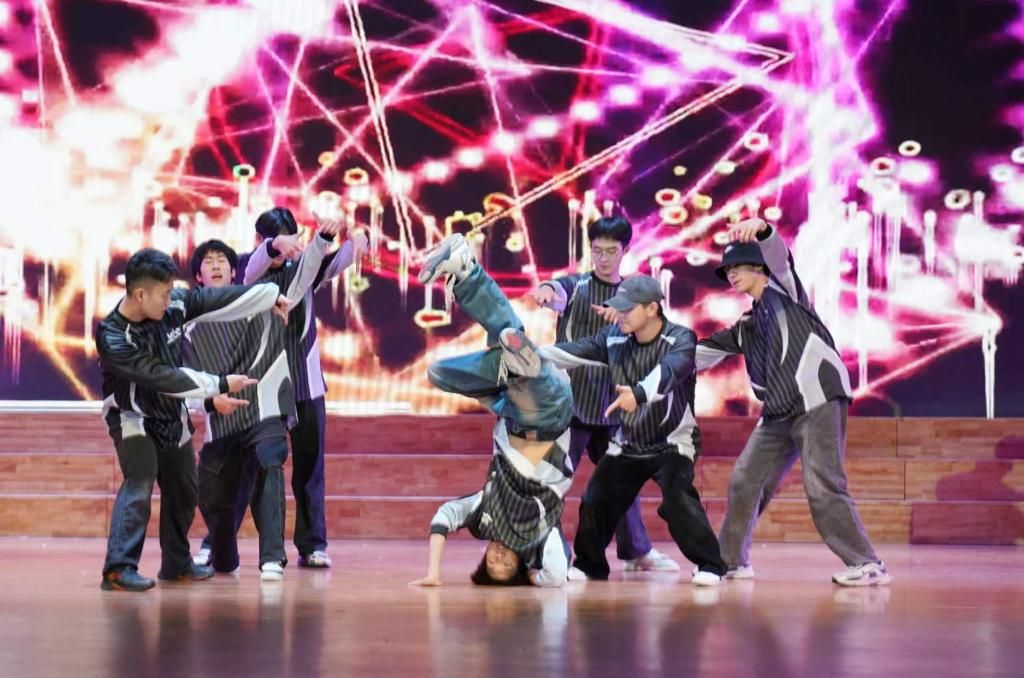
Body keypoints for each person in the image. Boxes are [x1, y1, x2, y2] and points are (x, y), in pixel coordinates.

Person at [695, 217, 891, 587]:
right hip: (778, 412)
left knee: (822, 484)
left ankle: (866, 563)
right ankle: (731, 562)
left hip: (816, 398)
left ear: (759, 268)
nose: (731, 274)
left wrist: (763, 229)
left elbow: (779, 255)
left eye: (738, 266)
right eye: (727, 269)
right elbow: (695, 355)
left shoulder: (784, 290)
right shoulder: (747, 326)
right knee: (745, 480)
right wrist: (647, 356)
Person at [97, 248, 288, 591]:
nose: (171, 298)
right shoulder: (113, 337)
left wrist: (269, 296)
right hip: (132, 417)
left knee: (184, 490)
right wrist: (219, 384)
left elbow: (217, 299)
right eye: (164, 293)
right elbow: (163, 377)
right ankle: (118, 568)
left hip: (172, 415)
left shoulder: (173, 304)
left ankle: (176, 563)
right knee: (140, 480)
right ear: (140, 295)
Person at [539, 275, 728, 586]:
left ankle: (712, 565)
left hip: (673, 441)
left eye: (628, 309)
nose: (621, 314)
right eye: (619, 308)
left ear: (652, 308)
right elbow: (576, 351)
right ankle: (590, 565)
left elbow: (670, 371)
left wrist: (638, 394)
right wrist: (533, 354)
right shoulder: (614, 337)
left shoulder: (680, 339)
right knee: (596, 497)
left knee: (678, 497)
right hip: (629, 442)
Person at [409, 233, 574, 588]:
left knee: (439, 373)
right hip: (549, 415)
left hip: (510, 409)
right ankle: (521, 359)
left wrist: (434, 573)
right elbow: (557, 575)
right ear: (521, 566)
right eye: (506, 566)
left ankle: (466, 270)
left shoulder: (483, 514)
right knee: (527, 368)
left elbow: (445, 516)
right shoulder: (539, 535)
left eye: (492, 564)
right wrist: (536, 576)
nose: (498, 558)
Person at [184, 223, 332, 580]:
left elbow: (299, 280)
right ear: (198, 276)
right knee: (214, 495)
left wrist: (321, 241)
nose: (216, 266)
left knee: (270, 464)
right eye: (208, 262)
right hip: (223, 421)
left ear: (235, 271)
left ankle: (272, 558)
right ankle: (220, 551)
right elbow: (184, 381)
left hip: (264, 411)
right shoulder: (187, 318)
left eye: (222, 260)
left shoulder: (255, 297)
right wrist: (209, 403)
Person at [531, 215, 677, 572]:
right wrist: (547, 290)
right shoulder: (578, 286)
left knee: (622, 482)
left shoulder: (636, 296)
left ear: (625, 250)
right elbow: (556, 289)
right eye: (597, 250)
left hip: (614, 407)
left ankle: (637, 552)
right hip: (571, 406)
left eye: (612, 251)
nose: (603, 258)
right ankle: (552, 556)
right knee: (551, 482)